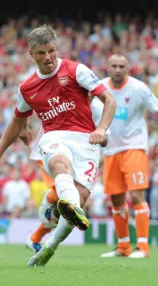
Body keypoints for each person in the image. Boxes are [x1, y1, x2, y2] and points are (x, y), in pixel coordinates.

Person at [0, 24, 116, 267]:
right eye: (42, 53)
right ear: (32, 54)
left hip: (86, 140)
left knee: (80, 198)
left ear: (57, 47)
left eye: (51, 51)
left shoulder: (76, 70)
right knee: (59, 164)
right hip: (54, 136)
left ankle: (49, 247)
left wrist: (101, 129)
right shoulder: (27, 88)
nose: (48, 57)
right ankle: (68, 207)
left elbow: (109, 100)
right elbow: (16, 122)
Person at [100, 54, 158, 258]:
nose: (118, 70)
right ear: (108, 67)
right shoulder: (100, 88)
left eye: (122, 66)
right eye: (114, 66)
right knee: (117, 200)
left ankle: (143, 247)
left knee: (137, 195)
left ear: (128, 68)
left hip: (135, 148)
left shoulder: (138, 88)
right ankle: (123, 247)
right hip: (111, 150)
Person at [21, 95, 107, 254]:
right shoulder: (66, 94)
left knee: (71, 206)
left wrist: (101, 135)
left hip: (79, 154)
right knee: (63, 187)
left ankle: (34, 239)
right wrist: (23, 126)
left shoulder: (98, 109)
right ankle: (49, 199)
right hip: (51, 149)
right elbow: (25, 100)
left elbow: (105, 137)